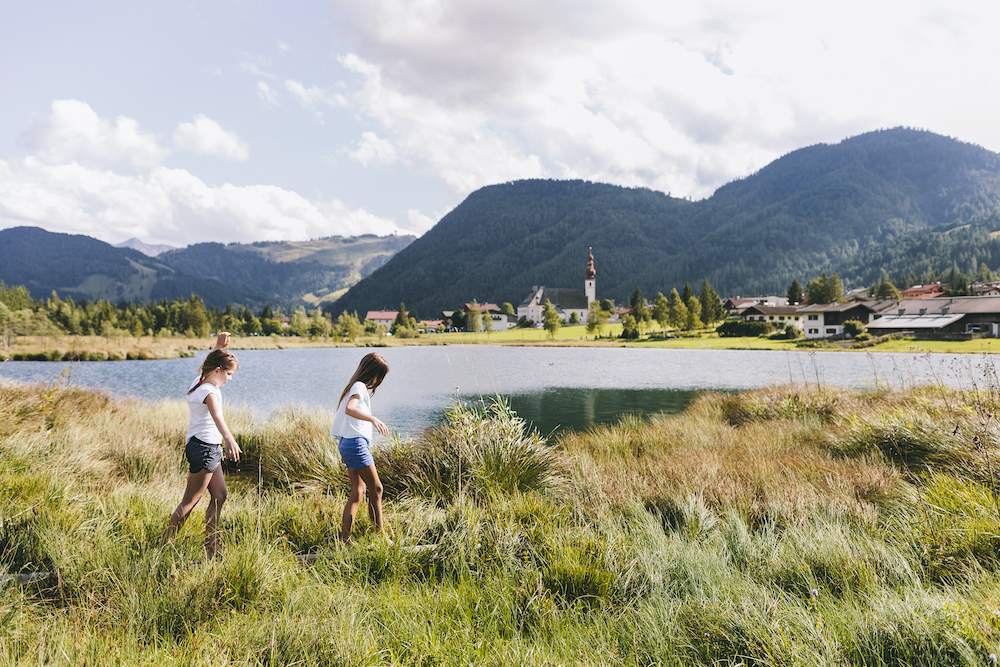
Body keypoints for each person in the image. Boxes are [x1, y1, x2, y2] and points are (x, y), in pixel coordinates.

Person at [162, 332, 242, 558]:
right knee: (190, 501)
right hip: (205, 448)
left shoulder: (199, 381)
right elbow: (218, 417)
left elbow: (204, 367)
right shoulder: (209, 392)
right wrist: (230, 439)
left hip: (206, 447)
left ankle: (211, 547)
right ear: (217, 371)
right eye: (228, 374)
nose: (229, 378)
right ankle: (164, 548)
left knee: (220, 495)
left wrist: (218, 346)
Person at [331, 352, 391, 544]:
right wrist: (373, 418)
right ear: (372, 373)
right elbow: (350, 408)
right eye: (379, 375)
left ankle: (345, 539)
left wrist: (344, 448)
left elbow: (345, 420)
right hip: (354, 444)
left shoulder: (354, 386)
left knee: (359, 492)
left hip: (350, 443)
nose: (379, 380)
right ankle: (380, 537)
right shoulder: (359, 386)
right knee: (377, 489)